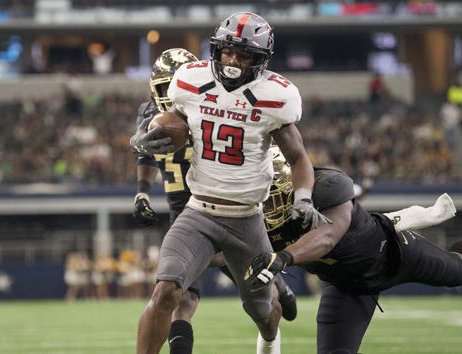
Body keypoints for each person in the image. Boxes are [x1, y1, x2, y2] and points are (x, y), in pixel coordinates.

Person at [134, 13, 331, 354]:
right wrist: (141, 137)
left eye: (244, 55)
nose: (233, 60)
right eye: (228, 52)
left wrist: (303, 198)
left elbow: (299, 157)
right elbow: (169, 122)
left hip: (246, 219)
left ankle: (270, 338)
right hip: (198, 212)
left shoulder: (275, 95)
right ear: (216, 50)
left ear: (261, 60)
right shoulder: (190, 81)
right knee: (166, 290)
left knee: (261, 312)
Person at [248, 148, 462, 354]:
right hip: (348, 286)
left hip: (391, 252)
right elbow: (226, 250)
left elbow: (327, 238)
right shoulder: (256, 219)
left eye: (270, 194)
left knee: (459, 272)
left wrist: (284, 257)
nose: (267, 206)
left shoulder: (328, 186)